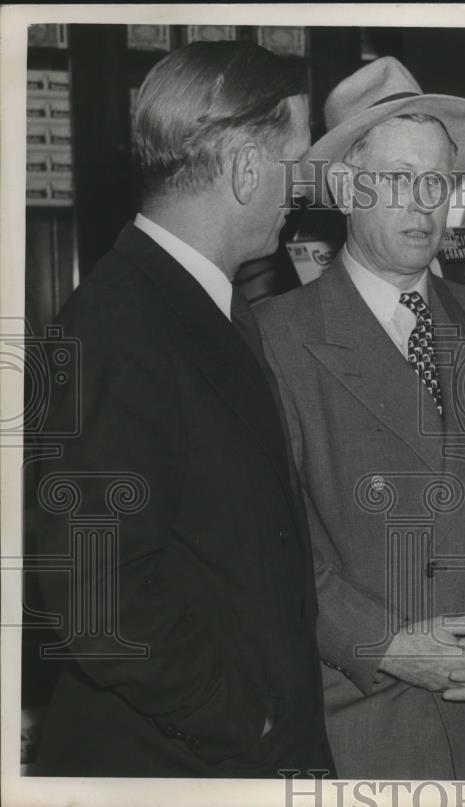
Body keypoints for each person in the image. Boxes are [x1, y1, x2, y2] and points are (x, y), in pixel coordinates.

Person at [27, 41, 332, 777]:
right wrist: (248, 719)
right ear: (246, 167)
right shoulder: (119, 324)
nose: (303, 189)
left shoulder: (201, 304)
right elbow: (98, 597)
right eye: (296, 162)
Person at [257, 56, 465, 780]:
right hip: (363, 726)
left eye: (436, 181)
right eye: (397, 178)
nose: (422, 203)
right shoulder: (275, 336)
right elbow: (273, 545)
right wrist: (388, 646)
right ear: (343, 187)